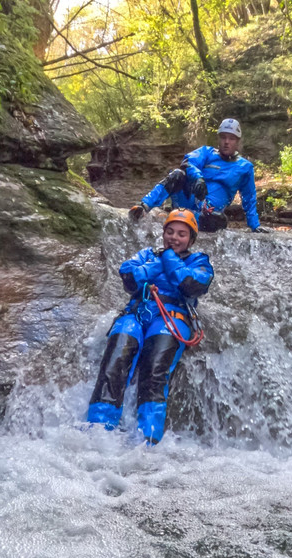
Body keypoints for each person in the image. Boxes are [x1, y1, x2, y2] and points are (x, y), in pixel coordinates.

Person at [87, 209, 214, 444]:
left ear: (191, 239)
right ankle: (98, 429)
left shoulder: (200, 262)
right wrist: (155, 265)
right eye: (170, 231)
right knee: (115, 358)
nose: (174, 238)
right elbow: (128, 276)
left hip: (171, 318)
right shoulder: (147, 254)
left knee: (156, 367)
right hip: (136, 313)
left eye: (182, 234)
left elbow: (190, 285)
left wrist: (166, 259)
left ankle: (148, 438)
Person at [129, 118, 268, 233]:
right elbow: (188, 162)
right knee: (177, 174)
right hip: (189, 198)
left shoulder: (245, 167)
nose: (227, 142)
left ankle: (188, 219)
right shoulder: (206, 152)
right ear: (218, 139)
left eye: (231, 138)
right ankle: (144, 206)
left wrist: (254, 226)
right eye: (223, 137)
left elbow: (249, 198)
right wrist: (198, 178)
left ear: (237, 141)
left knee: (220, 221)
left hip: (209, 213)